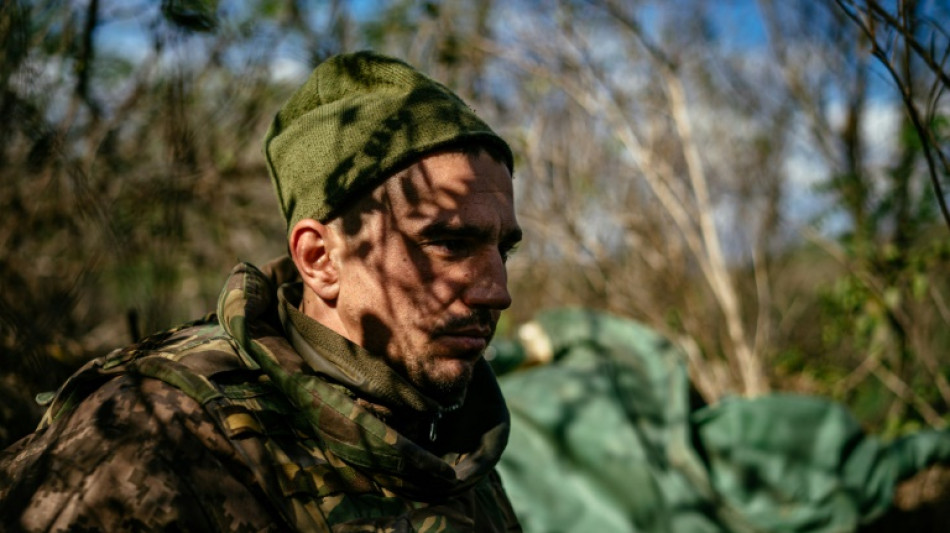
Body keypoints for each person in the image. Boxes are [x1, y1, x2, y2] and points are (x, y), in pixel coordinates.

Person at [0, 51, 523, 532]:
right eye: (450, 244)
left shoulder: (454, 443)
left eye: (504, 249)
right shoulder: (159, 437)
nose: (497, 292)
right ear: (320, 260)